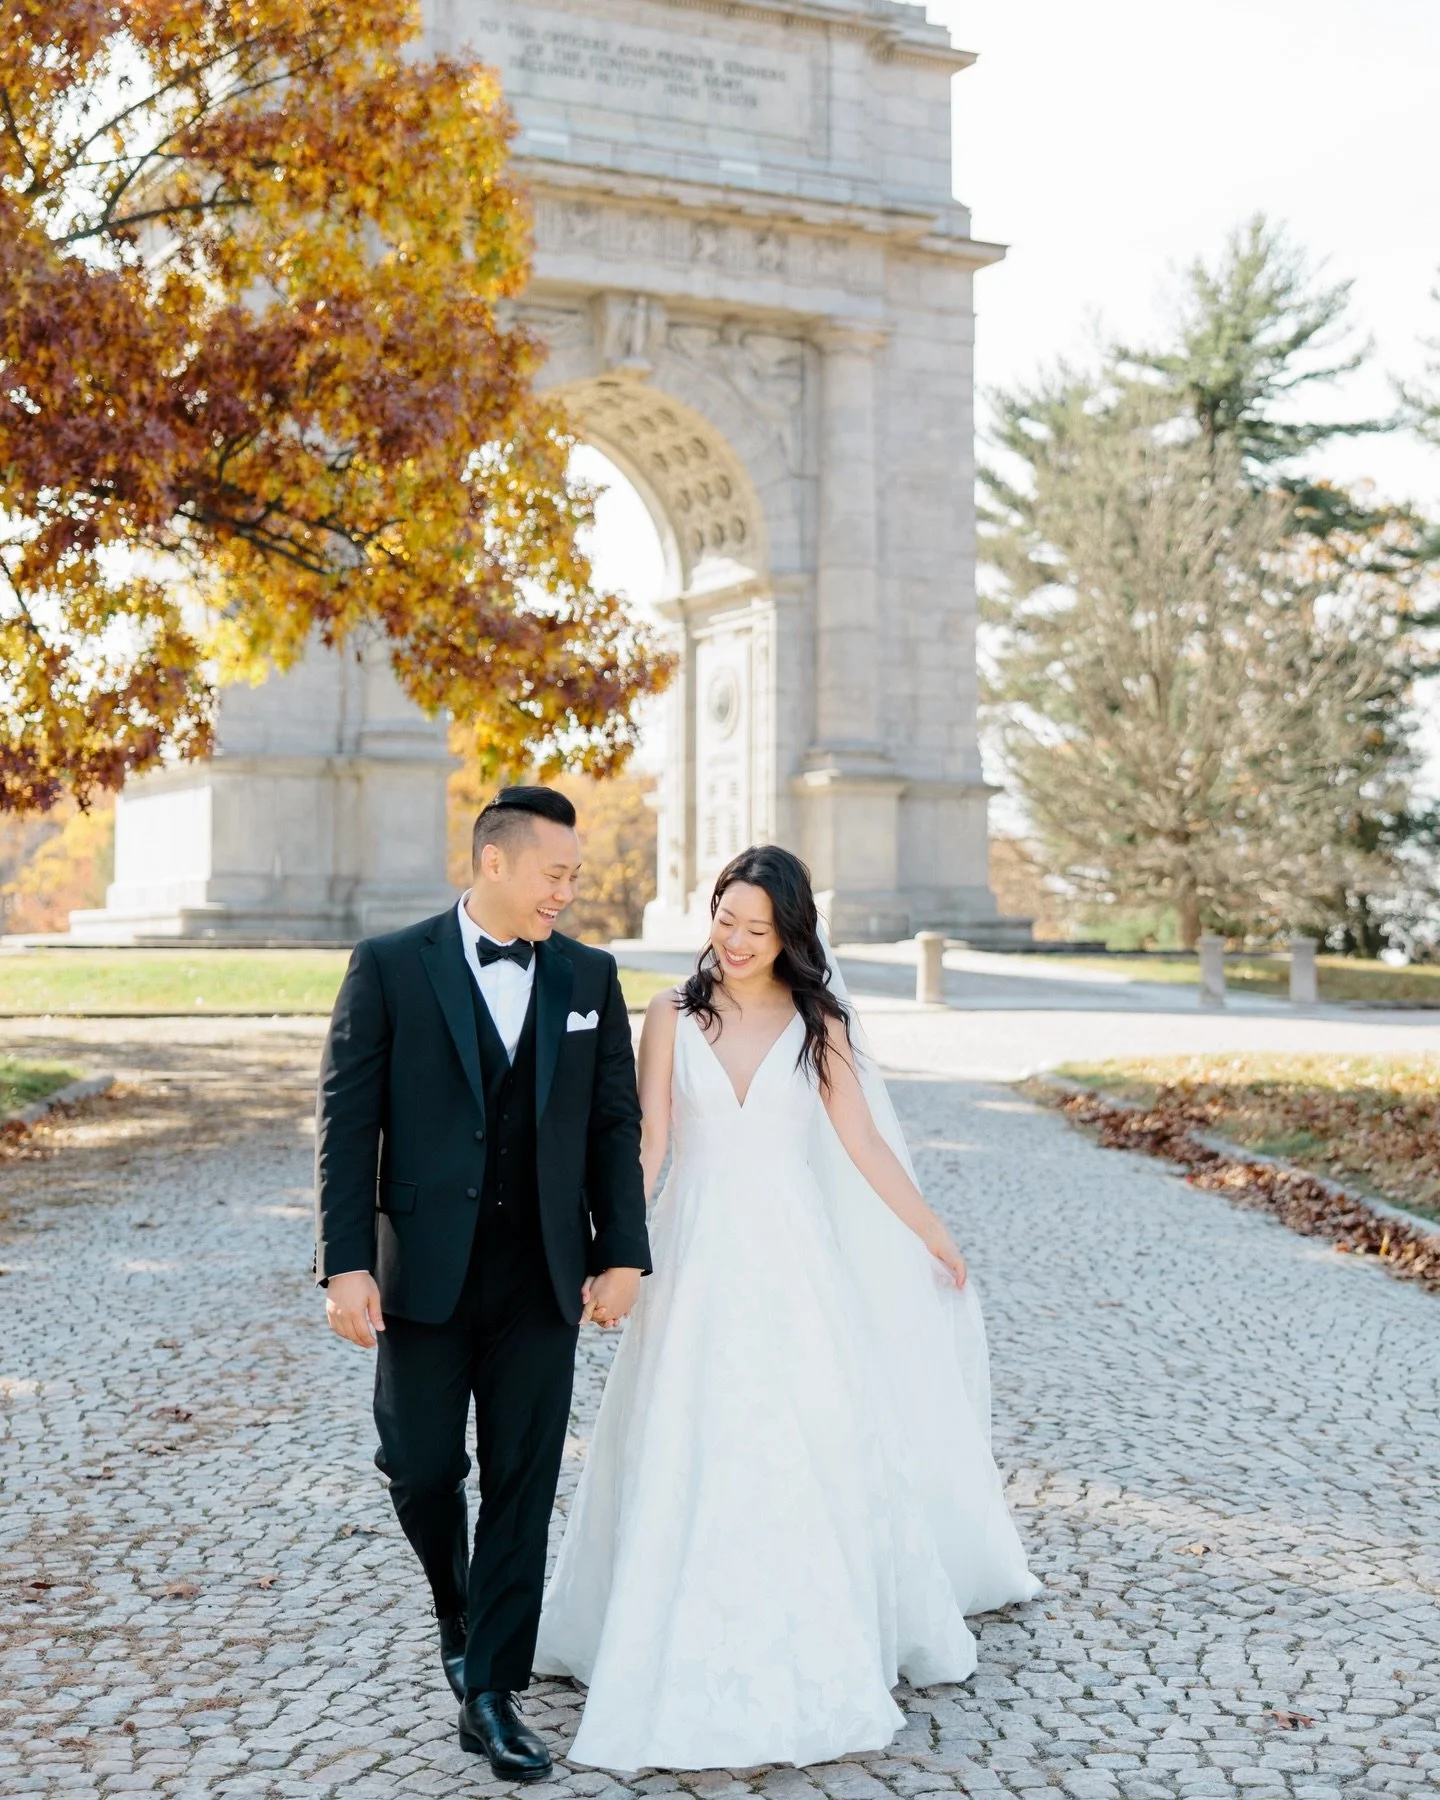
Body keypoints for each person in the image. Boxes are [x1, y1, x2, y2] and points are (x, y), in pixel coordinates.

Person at [535, 844, 1040, 1771]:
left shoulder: (819, 1022)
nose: (734, 941)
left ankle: (816, 1617)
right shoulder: (670, 1014)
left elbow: (863, 1142)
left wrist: (933, 1232)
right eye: (725, 919)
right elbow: (648, 1148)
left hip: (792, 1257)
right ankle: (654, 1621)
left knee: (800, 1428)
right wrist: (616, 1252)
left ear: (790, 937)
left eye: (756, 930)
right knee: (683, 1426)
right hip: (695, 1251)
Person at [314, 786, 650, 1782]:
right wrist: (344, 1262)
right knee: (419, 1467)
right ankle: (457, 1605)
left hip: (544, 1274)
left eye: (574, 877)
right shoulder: (388, 966)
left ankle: (493, 1694)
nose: (567, 892)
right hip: (423, 1273)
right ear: (495, 863)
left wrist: (623, 1251)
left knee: (522, 1483)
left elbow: (614, 1123)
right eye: (556, 874)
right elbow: (348, 1122)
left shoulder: (589, 974)